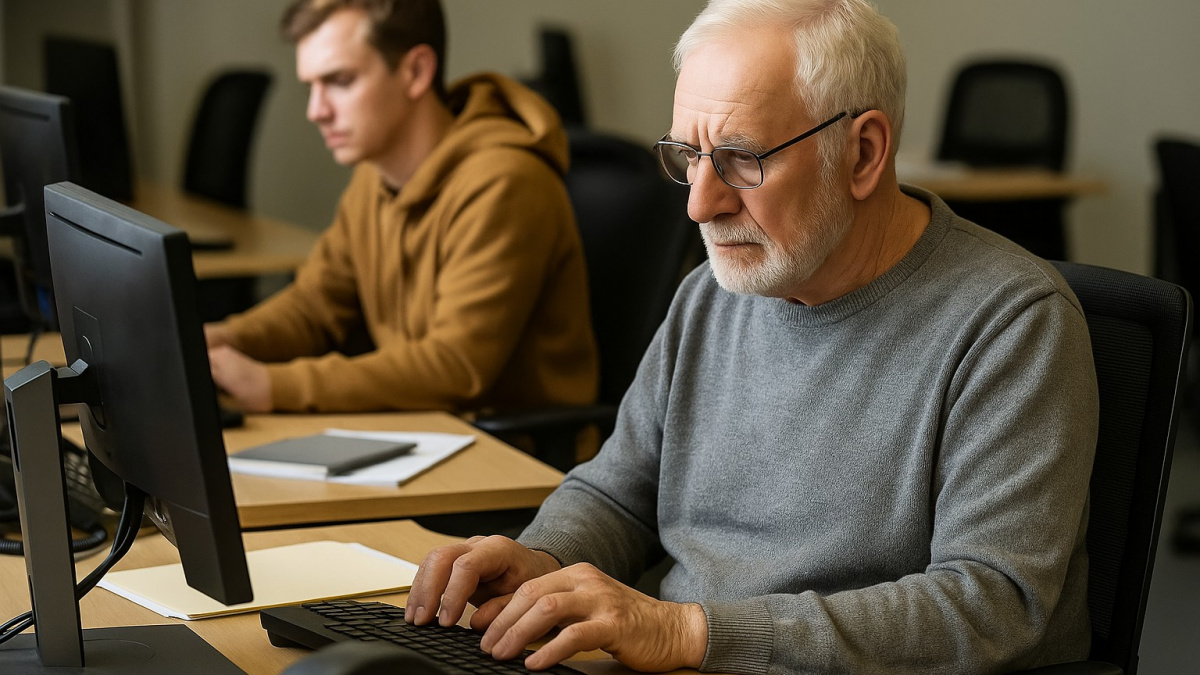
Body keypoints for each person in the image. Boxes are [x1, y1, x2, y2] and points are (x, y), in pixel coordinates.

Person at [405, 0, 1100, 672]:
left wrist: (690, 630)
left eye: (740, 158)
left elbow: (993, 605)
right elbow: (617, 493)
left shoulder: (1013, 322)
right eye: (687, 156)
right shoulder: (711, 294)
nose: (700, 203)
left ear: (862, 153)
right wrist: (542, 558)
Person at [205, 0, 598, 414]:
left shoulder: (506, 182)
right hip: (425, 432)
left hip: (510, 454)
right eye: (310, 87)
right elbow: (316, 308)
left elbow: (456, 366)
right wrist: (221, 341)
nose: (316, 111)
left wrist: (275, 387)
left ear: (416, 72)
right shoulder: (374, 176)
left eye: (339, 81)